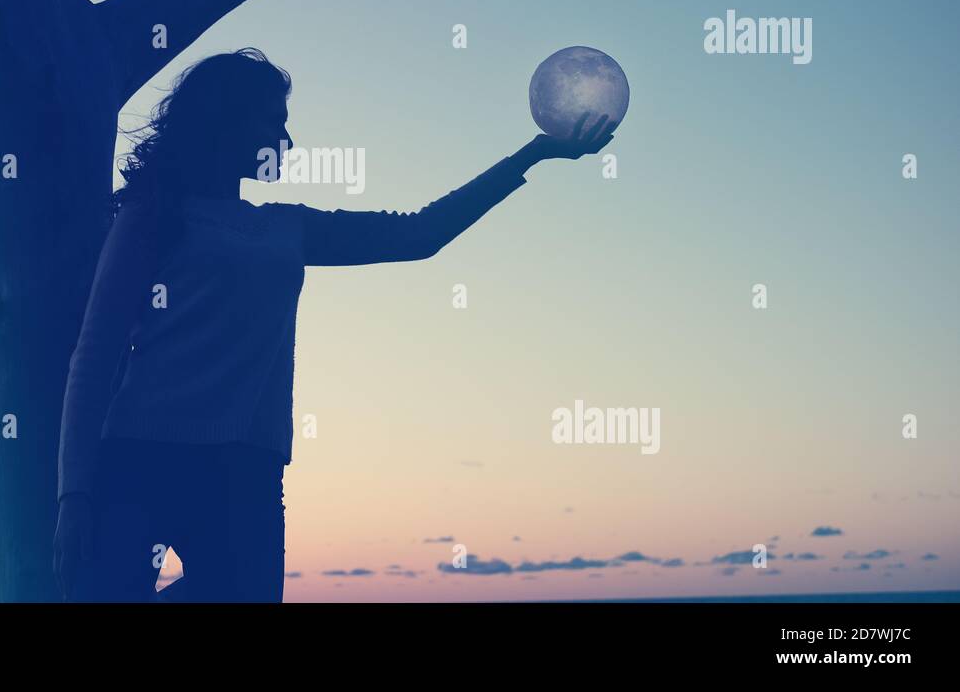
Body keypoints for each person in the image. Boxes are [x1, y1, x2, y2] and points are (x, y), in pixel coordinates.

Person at [53, 47, 616, 602]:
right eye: (273, 121)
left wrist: (531, 157)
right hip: (140, 459)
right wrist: (73, 493)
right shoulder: (152, 216)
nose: (288, 141)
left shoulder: (285, 229)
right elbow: (96, 352)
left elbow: (419, 235)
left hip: (246, 469)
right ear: (225, 120)